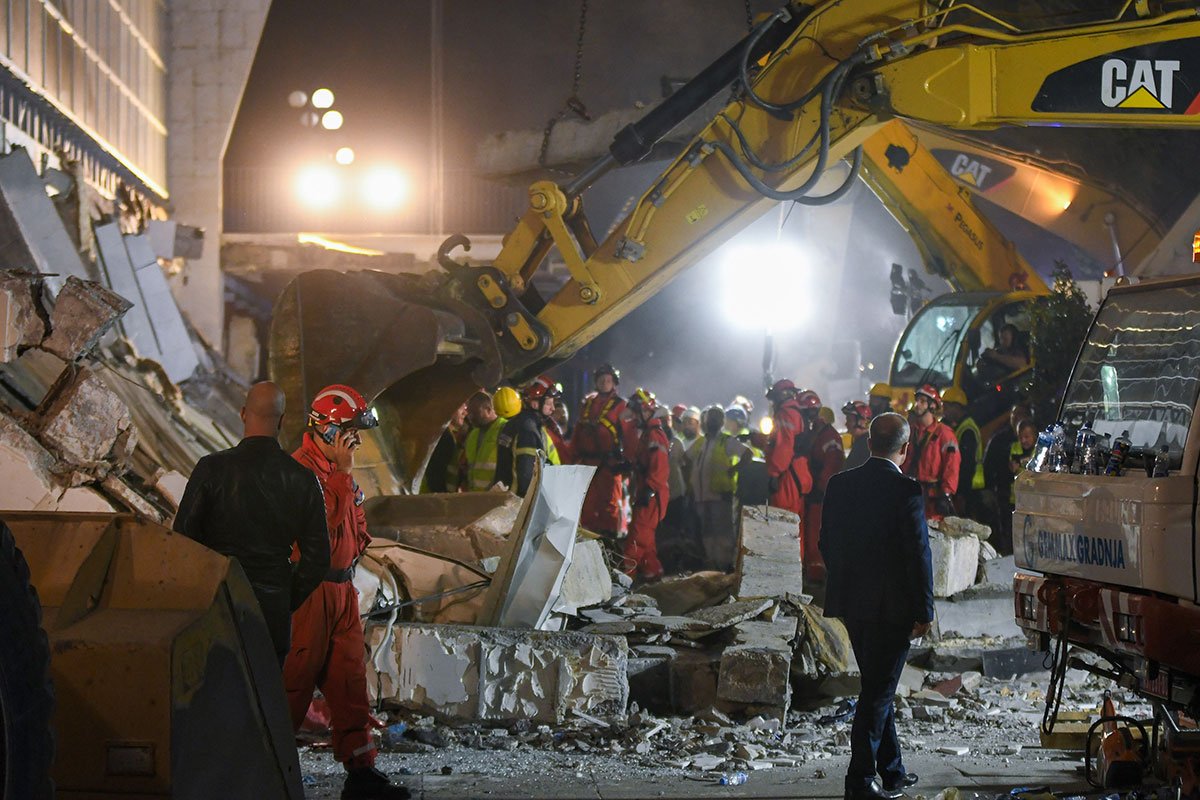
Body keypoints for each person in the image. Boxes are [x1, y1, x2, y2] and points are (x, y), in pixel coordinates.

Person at [284, 384, 409, 799]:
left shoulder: (342, 472)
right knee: (293, 684)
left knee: (351, 683)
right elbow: (317, 531)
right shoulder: (299, 471)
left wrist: (344, 477)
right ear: (329, 430)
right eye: (351, 431)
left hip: (341, 593)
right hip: (308, 594)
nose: (357, 440)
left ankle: (361, 775)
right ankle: (268, 770)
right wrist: (340, 474)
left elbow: (356, 529)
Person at [174, 382, 331, 666]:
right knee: (263, 701)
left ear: (243, 413)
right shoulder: (303, 480)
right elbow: (318, 559)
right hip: (271, 613)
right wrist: (284, 596)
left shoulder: (211, 468)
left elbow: (183, 540)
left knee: (215, 696)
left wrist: (205, 592)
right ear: (282, 420)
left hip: (216, 605)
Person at [820, 412, 933, 800]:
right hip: (893, 610)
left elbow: (826, 544)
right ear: (905, 449)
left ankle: (892, 771)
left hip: (853, 605)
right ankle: (860, 780)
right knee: (878, 694)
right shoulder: (907, 491)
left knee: (876, 686)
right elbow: (918, 554)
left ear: (869, 444)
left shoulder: (839, 485)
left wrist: (849, 584)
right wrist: (925, 610)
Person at [687, 405, 749, 572]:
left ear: (721, 422)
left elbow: (747, 454)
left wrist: (733, 469)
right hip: (702, 496)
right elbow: (686, 458)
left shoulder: (726, 440)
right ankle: (711, 562)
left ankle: (724, 565)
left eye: (716, 418)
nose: (712, 421)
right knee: (707, 531)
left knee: (722, 533)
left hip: (720, 495)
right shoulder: (702, 442)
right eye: (710, 418)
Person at [571, 363, 629, 539]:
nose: (605, 382)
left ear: (614, 383)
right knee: (587, 505)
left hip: (609, 465)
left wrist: (626, 462)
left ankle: (610, 544)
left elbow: (628, 435)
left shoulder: (622, 405)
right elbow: (577, 433)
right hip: (587, 463)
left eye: (608, 380)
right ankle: (588, 542)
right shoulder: (587, 403)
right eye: (601, 379)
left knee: (610, 506)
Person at [623, 388, 670, 581]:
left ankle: (624, 584)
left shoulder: (654, 435)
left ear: (645, 411)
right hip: (649, 494)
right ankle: (655, 578)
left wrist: (649, 489)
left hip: (651, 497)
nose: (633, 417)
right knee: (647, 546)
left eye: (635, 412)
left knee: (635, 543)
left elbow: (659, 468)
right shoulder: (649, 433)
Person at [799, 390, 844, 583]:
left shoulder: (828, 436)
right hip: (811, 491)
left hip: (820, 494)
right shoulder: (813, 434)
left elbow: (833, 463)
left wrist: (821, 488)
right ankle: (810, 572)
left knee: (816, 533)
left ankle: (817, 575)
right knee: (808, 532)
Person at [764, 379, 814, 555]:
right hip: (798, 473)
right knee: (795, 525)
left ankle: (785, 570)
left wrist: (774, 473)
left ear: (781, 396)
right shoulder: (796, 413)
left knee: (783, 523)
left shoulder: (785, 414)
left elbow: (784, 447)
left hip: (788, 476)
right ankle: (796, 570)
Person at [901, 384, 960, 521]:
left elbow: (951, 466)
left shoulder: (944, 434)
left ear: (932, 406)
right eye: (917, 400)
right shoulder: (909, 431)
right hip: (908, 493)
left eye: (922, 401)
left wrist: (946, 494)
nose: (917, 405)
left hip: (931, 499)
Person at [496, 376, 562, 497]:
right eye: (549, 403)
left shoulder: (518, 423)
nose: (553, 408)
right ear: (535, 403)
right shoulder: (528, 430)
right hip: (517, 504)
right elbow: (526, 476)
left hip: (506, 499)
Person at [982, 403, 1032, 553]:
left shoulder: (1036, 443)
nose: (1016, 419)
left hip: (1029, 498)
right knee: (1006, 532)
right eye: (1013, 415)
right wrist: (989, 489)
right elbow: (988, 464)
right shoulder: (1000, 438)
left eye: (1020, 415)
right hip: (1005, 493)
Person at [940, 387, 985, 522]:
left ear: (957, 407)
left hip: (969, 487)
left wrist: (961, 493)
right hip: (963, 486)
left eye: (947, 407)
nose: (944, 410)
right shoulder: (958, 426)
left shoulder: (967, 429)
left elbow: (966, 464)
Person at [459, 390, 509, 492]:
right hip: (475, 496)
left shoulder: (505, 429)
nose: (470, 417)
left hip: (495, 495)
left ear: (488, 410)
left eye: (475, 413)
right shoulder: (473, 434)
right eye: (469, 413)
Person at [422, 402, 467, 492]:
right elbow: (436, 473)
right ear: (450, 410)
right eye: (461, 408)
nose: (465, 413)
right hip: (437, 496)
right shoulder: (444, 437)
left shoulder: (446, 434)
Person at [842, 400, 872, 472]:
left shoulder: (865, 446)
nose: (846, 424)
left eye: (849, 420)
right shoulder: (861, 441)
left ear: (861, 421)